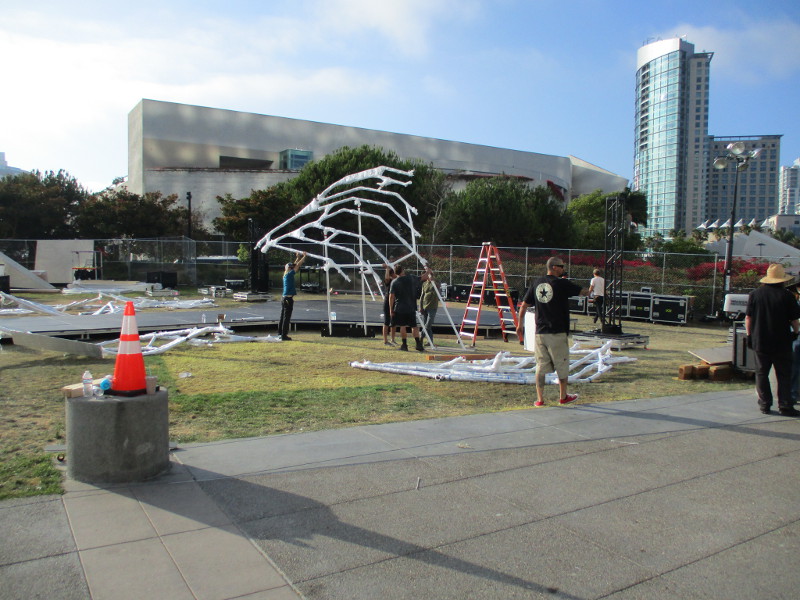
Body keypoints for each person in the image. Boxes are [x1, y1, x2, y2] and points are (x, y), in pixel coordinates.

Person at [515, 256, 586, 407]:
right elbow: (583, 292)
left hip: (540, 332)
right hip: (557, 332)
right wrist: (595, 288)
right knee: (562, 365)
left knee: (540, 366)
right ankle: (563, 396)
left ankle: (540, 399)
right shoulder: (561, 283)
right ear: (554, 267)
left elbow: (524, 305)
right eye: (561, 266)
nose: (563, 269)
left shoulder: (536, 283)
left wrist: (520, 325)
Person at [745, 263, 800, 416]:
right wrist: (795, 333)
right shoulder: (787, 296)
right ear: (782, 280)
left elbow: (748, 318)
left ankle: (765, 404)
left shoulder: (755, 294)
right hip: (782, 341)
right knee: (783, 374)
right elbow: (794, 320)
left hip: (760, 340)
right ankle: (785, 404)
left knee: (762, 373)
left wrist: (749, 335)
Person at [389, 264, 426, 352]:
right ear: (402, 270)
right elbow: (422, 277)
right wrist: (428, 271)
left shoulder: (394, 282)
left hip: (400, 307)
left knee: (402, 326)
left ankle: (404, 345)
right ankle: (418, 344)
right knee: (414, 326)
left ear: (395, 272)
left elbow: (391, 297)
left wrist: (391, 309)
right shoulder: (411, 278)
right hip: (411, 306)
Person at [278, 251, 307, 341]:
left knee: (282, 316)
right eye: (291, 267)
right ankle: (284, 335)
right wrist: (304, 256)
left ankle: (280, 333)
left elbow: (295, 264)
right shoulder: (290, 274)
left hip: (284, 298)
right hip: (288, 299)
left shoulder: (286, 274)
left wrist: (298, 257)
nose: (293, 267)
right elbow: (297, 265)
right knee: (286, 317)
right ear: (289, 268)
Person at [419, 265, 439, 346]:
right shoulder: (424, 284)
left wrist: (432, 279)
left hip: (432, 306)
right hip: (424, 306)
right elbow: (422, 296)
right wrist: (420, 307)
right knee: (426, 325)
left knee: (428, 324)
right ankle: (430, 342)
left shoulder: (435, 282)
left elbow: (437, 287)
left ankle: (421, 336)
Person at [382, 264, 397, 346]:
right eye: (394, 273)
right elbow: (387, 278)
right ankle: (385, 341)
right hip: (387, 303)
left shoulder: (397, 281)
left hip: (395, 303)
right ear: (391, 274)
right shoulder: (389, 281)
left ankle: (393, 339)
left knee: (394, 322)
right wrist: (387, 269)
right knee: (387, 321)